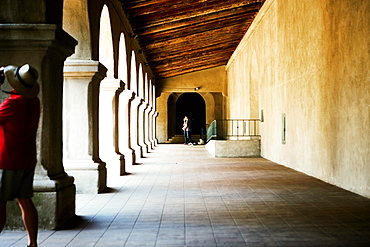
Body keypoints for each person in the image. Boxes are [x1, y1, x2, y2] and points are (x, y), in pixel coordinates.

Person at [0, 64, 40, 247]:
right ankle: (33, 243)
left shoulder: (13, 103)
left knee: (1, 204)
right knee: (25, 201)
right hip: (27, 158)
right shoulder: (34, 101)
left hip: (8, 161)